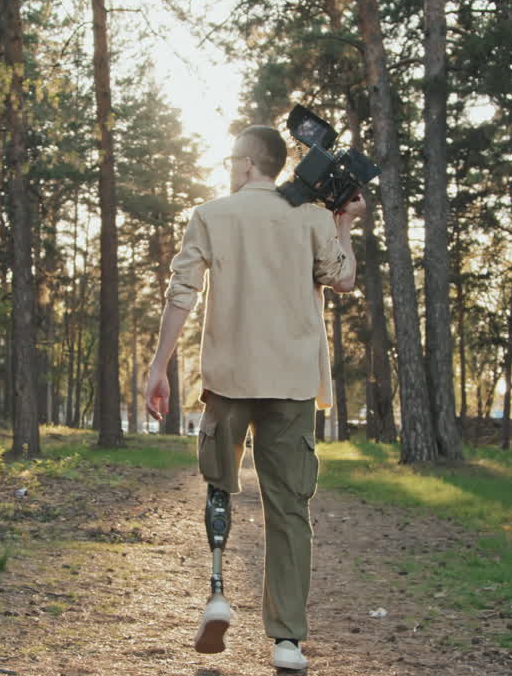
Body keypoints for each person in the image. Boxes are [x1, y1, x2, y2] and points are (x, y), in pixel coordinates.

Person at [143, 123, 364, 671]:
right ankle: (287, 640)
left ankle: (218, 593)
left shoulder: (210, 215)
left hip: (230, 380)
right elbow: (343, 279)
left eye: (230, 160)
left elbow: (182, 293)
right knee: (289, 508)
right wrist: (344, 222)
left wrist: (159, 366)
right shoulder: (312, 216)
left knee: (220, 483)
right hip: (292, 384)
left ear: (246, 162)